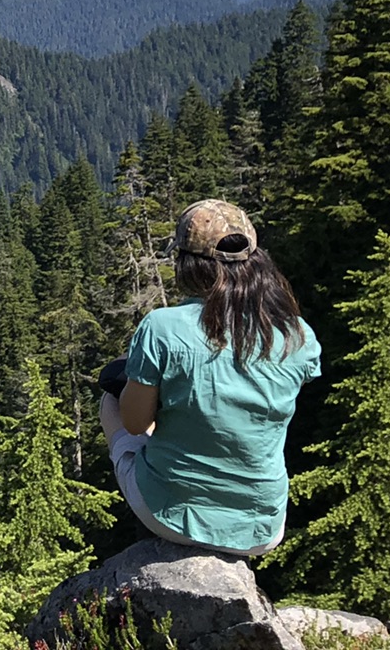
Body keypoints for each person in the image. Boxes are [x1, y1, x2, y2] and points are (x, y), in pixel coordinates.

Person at [98, 199, 321, 556]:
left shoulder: (161, 327)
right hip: (262, 526)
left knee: (112, 401)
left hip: (173, 516)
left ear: (186, 264)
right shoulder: (298, 335)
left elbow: (136, 424)